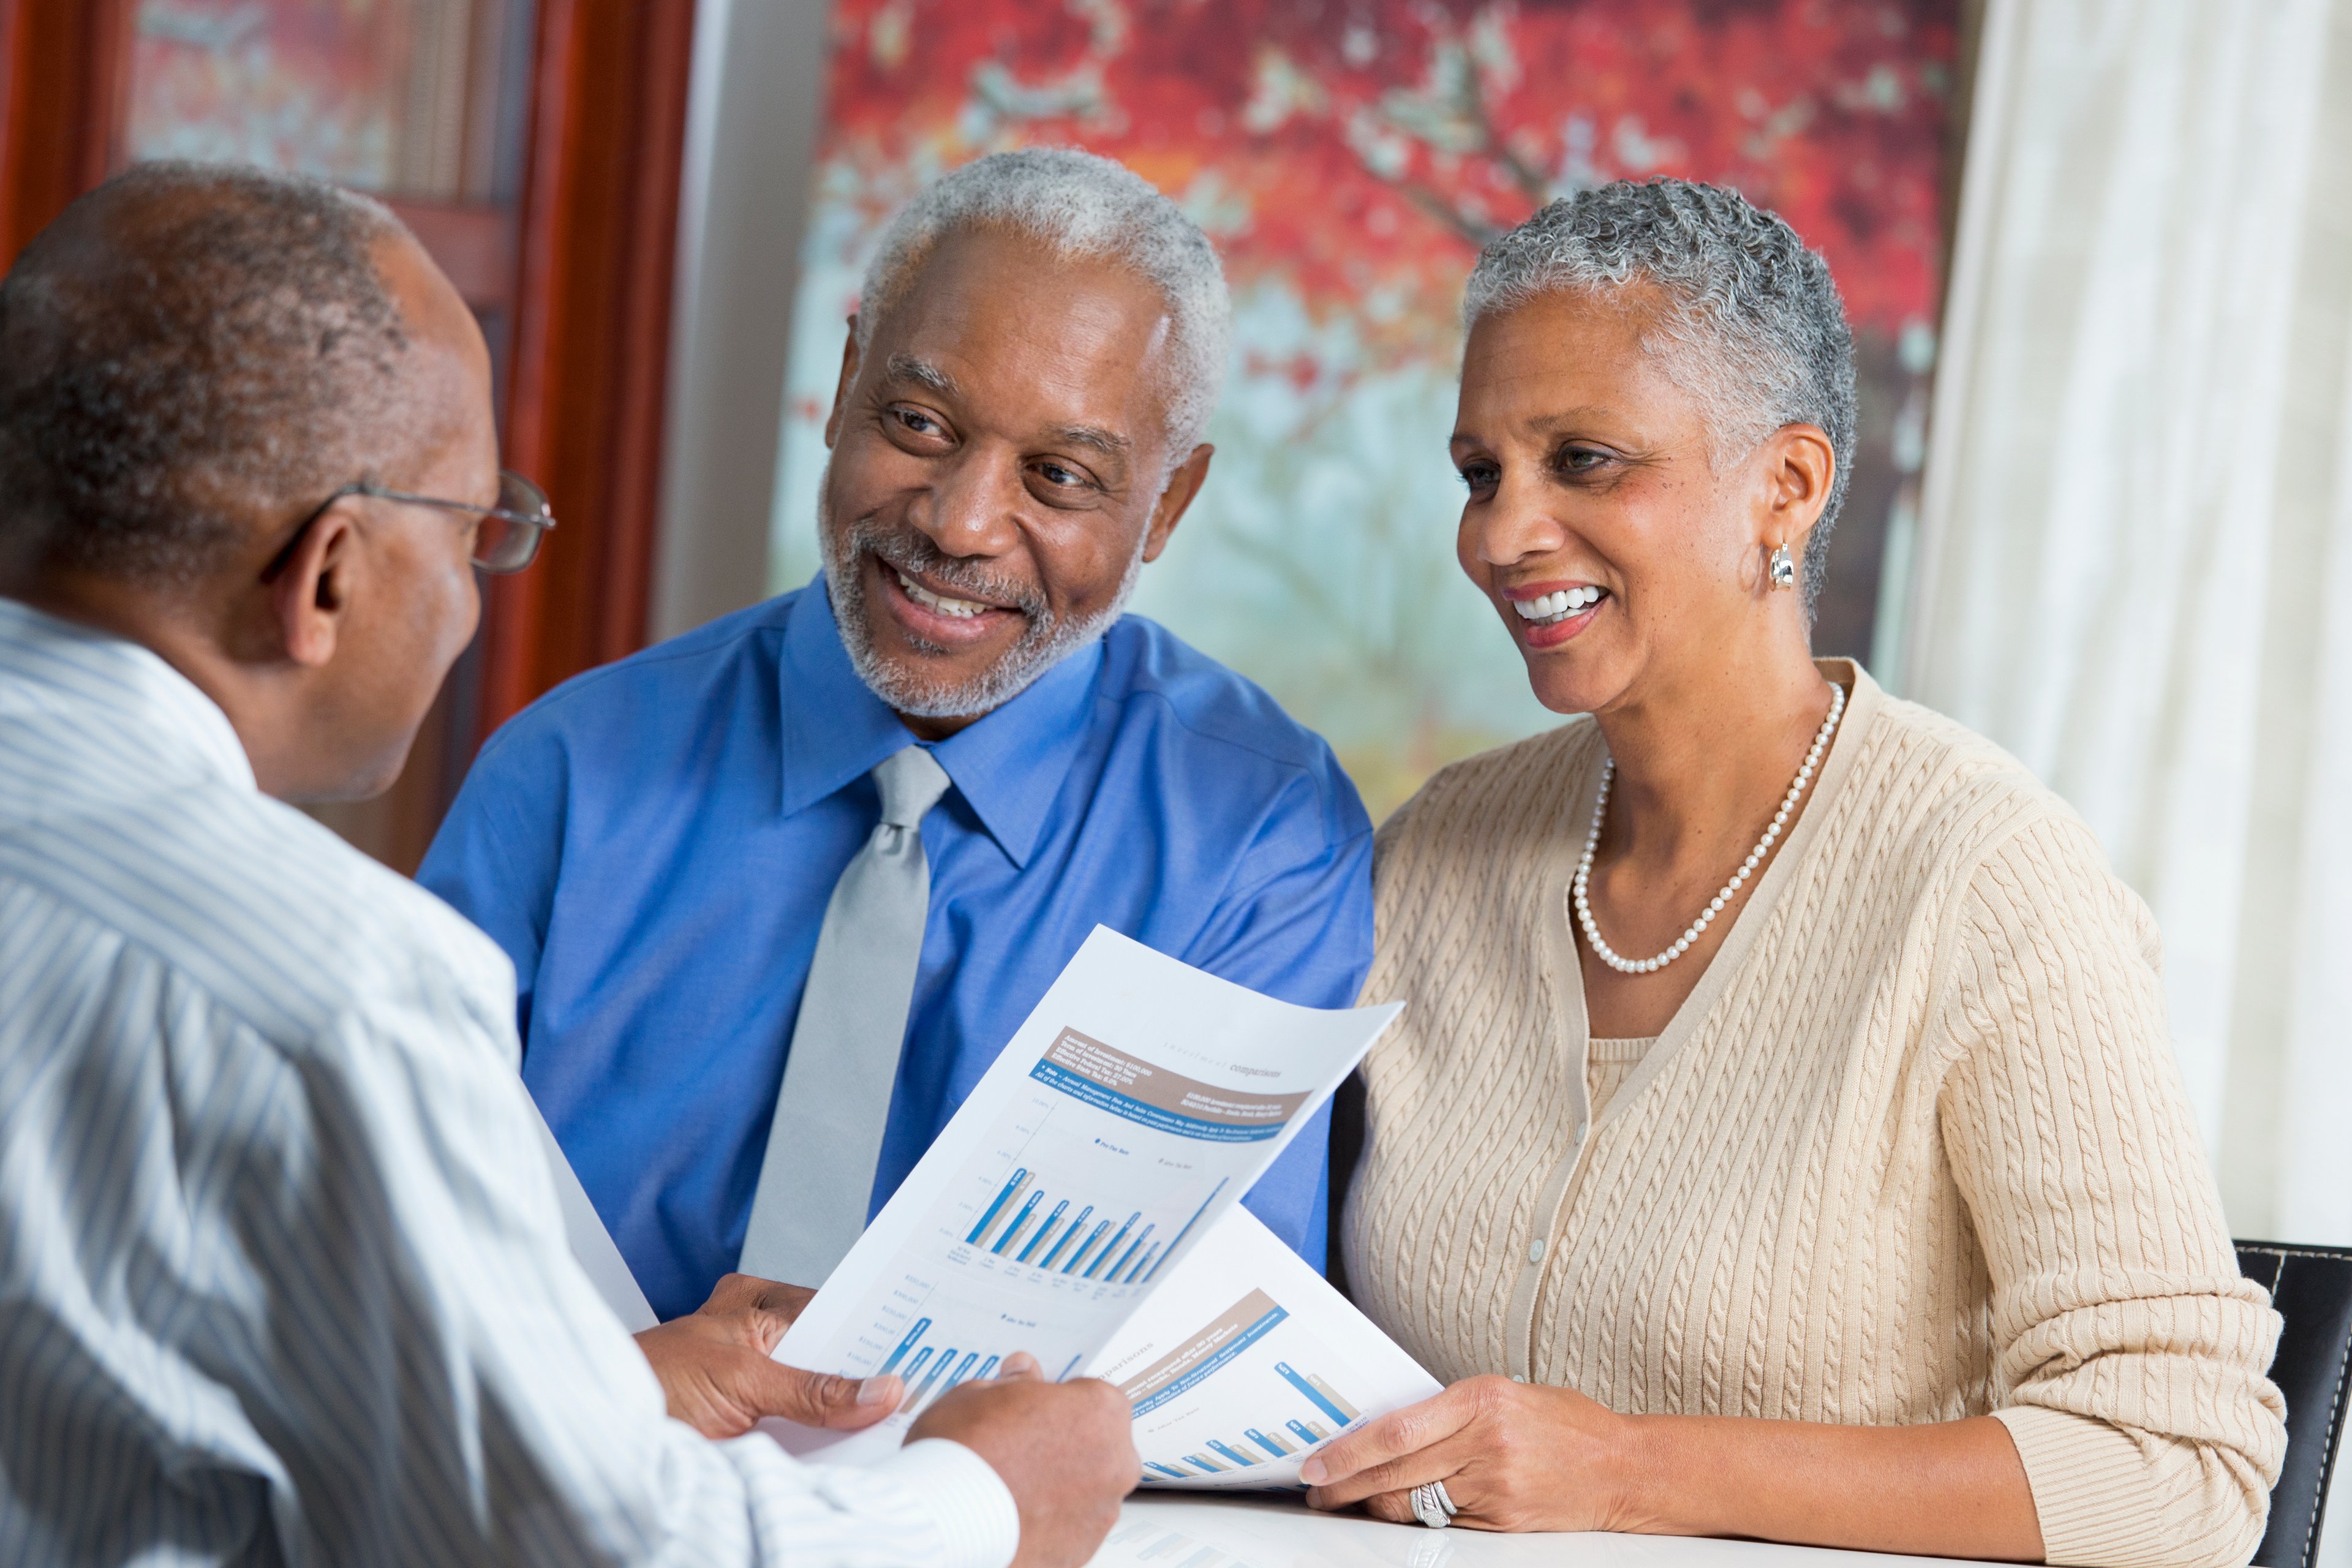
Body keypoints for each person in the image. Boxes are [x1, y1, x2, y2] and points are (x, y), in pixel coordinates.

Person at [0, 162, 1135, 1566]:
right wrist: (986, 1497)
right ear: (330, 574)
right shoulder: (330, 993)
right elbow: (600, 1553)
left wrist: (586, 1390)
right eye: (477, 528)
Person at [1309, 181, 2286, 1568]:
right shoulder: (1438, 854)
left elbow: (2178, 1466)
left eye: (1583, 459)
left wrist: (1634, 1469)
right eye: (1482, 471)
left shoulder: (1988, 876)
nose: (1500, 533)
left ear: (1789, 484)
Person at [417, 148, 1373, 1316]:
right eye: (919, 422)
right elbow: (378, 1252)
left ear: (1166, 506)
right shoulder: (564, 776)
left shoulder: (1260, 841)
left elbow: (1203, 1340)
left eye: (1061, 476)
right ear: (845, 377)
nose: (962, 523)